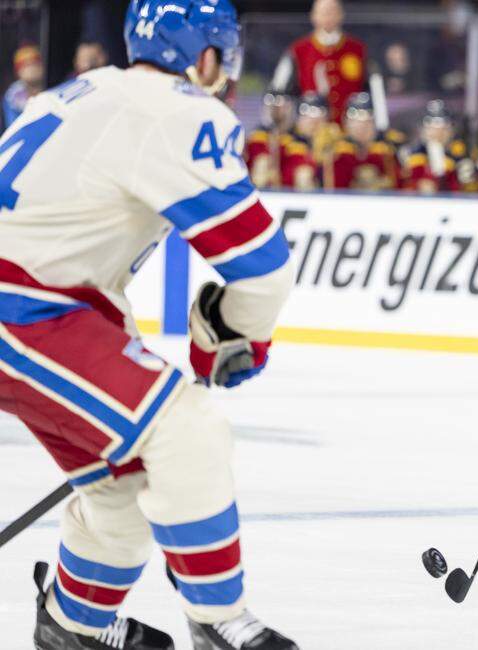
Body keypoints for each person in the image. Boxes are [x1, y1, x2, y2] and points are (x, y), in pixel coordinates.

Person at [0, 1, 298, 648]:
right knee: (186, 428)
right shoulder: (179, 111)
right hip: (23, 306)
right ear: (205, 55)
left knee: (122, 483)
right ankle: (220, 621)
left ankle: (72, 624)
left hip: (43, 301)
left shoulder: (86, 90)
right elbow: (263, 269)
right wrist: (236, 335)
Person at [270, 0, 384, 126]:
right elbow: (280, 90)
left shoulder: (358, 49)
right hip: (310, 132)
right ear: (313, 16)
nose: (328, 16)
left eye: (332, 11)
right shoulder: (297, 50)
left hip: (349, 133)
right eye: (323, 12)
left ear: (341, 15)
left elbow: (375, 89)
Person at [404, 99, 478, 194]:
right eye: (433, 128)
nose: (439, 133)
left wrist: (473, 178)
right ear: (425, 130)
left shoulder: (461, 152)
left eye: (445, 128)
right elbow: (417, 185)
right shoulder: (417, 155)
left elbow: (475, 189)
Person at [331, 92, 401, 190]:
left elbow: (398, 185)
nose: (362, 127)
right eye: (355, 122)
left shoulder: (388, 148)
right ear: (346, 123)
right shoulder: (336, 151)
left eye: (368, 122)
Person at [245, 90, 297, 189]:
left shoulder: (296, 139)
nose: (276, 109)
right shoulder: (257, 136)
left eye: (282, 104)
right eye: (271, 103)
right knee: (262, 163)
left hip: (289, 190)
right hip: (261, 187)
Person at [3, 45, 45, 129]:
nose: (31, 68)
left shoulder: (54, 86)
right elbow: (14, 128)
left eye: (35, 63)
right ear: (18, 72)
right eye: (25, 65)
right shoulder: (12, 96)